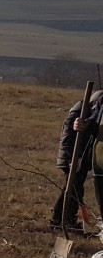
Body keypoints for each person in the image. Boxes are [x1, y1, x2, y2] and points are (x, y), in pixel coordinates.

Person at [50, 89, 103, 232]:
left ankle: (64, 219)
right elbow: (68, 138)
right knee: (73, 190)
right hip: (72, 158)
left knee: (73, 189)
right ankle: (61, 219)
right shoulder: (78, 113)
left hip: (81, 158)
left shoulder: (90, 114)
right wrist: (72, 158)